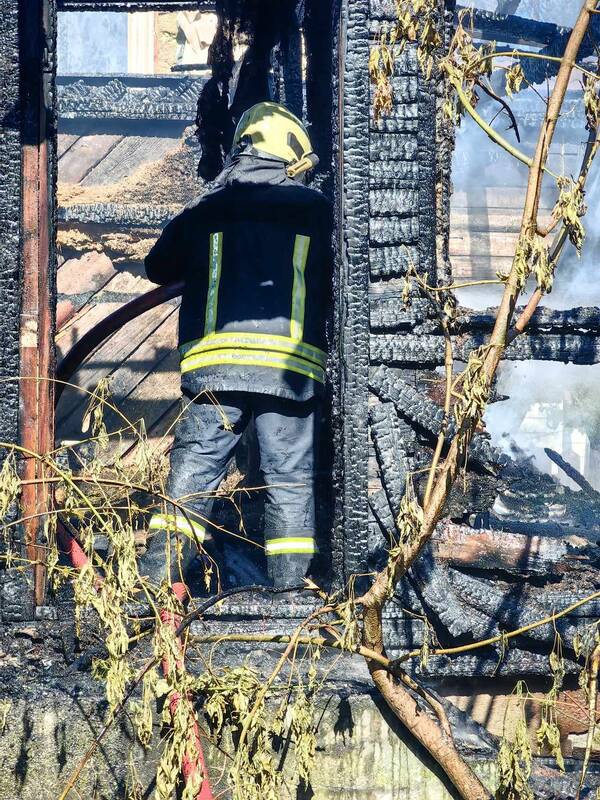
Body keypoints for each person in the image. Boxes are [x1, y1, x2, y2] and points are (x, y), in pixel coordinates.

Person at [138, 101, 332, 592]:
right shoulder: (316, 211)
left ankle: (154, 586)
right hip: (290, 369)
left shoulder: (208, 207)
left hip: (217, 370)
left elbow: (157, 267)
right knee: (289, 479)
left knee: (195, 472)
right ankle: (290, 595)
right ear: (292, 153)